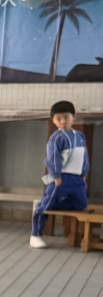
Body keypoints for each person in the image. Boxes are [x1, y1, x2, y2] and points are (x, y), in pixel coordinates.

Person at [30, 101, 90, 248]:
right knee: (45, 206)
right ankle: (35, 235)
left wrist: (84, 173)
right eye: (58, 118)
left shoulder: (80, 136)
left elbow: (84, 156)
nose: (63, 121)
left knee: (81, 204)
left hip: (77, 179)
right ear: (53, 120)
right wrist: (56, 176)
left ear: (73, 117)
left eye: (66, 117)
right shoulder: (56, 138)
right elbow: (53, 158)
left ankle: (46, 203)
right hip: (60, 178)